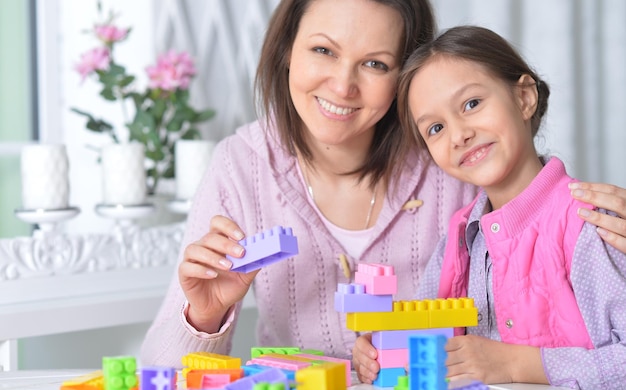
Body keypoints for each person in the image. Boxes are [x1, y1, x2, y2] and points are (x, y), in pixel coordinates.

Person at [141, 0, 626, 370]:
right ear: (287, 50)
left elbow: (538, 283)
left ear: (405, 77)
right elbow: (158, 376)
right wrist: (203, 316)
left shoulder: (451, 162)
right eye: (323, 50)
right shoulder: (241, 165)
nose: (342, 86)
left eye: (374, 64)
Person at [354, 25, 626, 390]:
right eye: (435, 128)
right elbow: (427, 350)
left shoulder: (588, 222)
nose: (458, 134)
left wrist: (517, 365)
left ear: (524, 97)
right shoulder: (459, 237)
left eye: (471, 104)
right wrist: (379, 352)